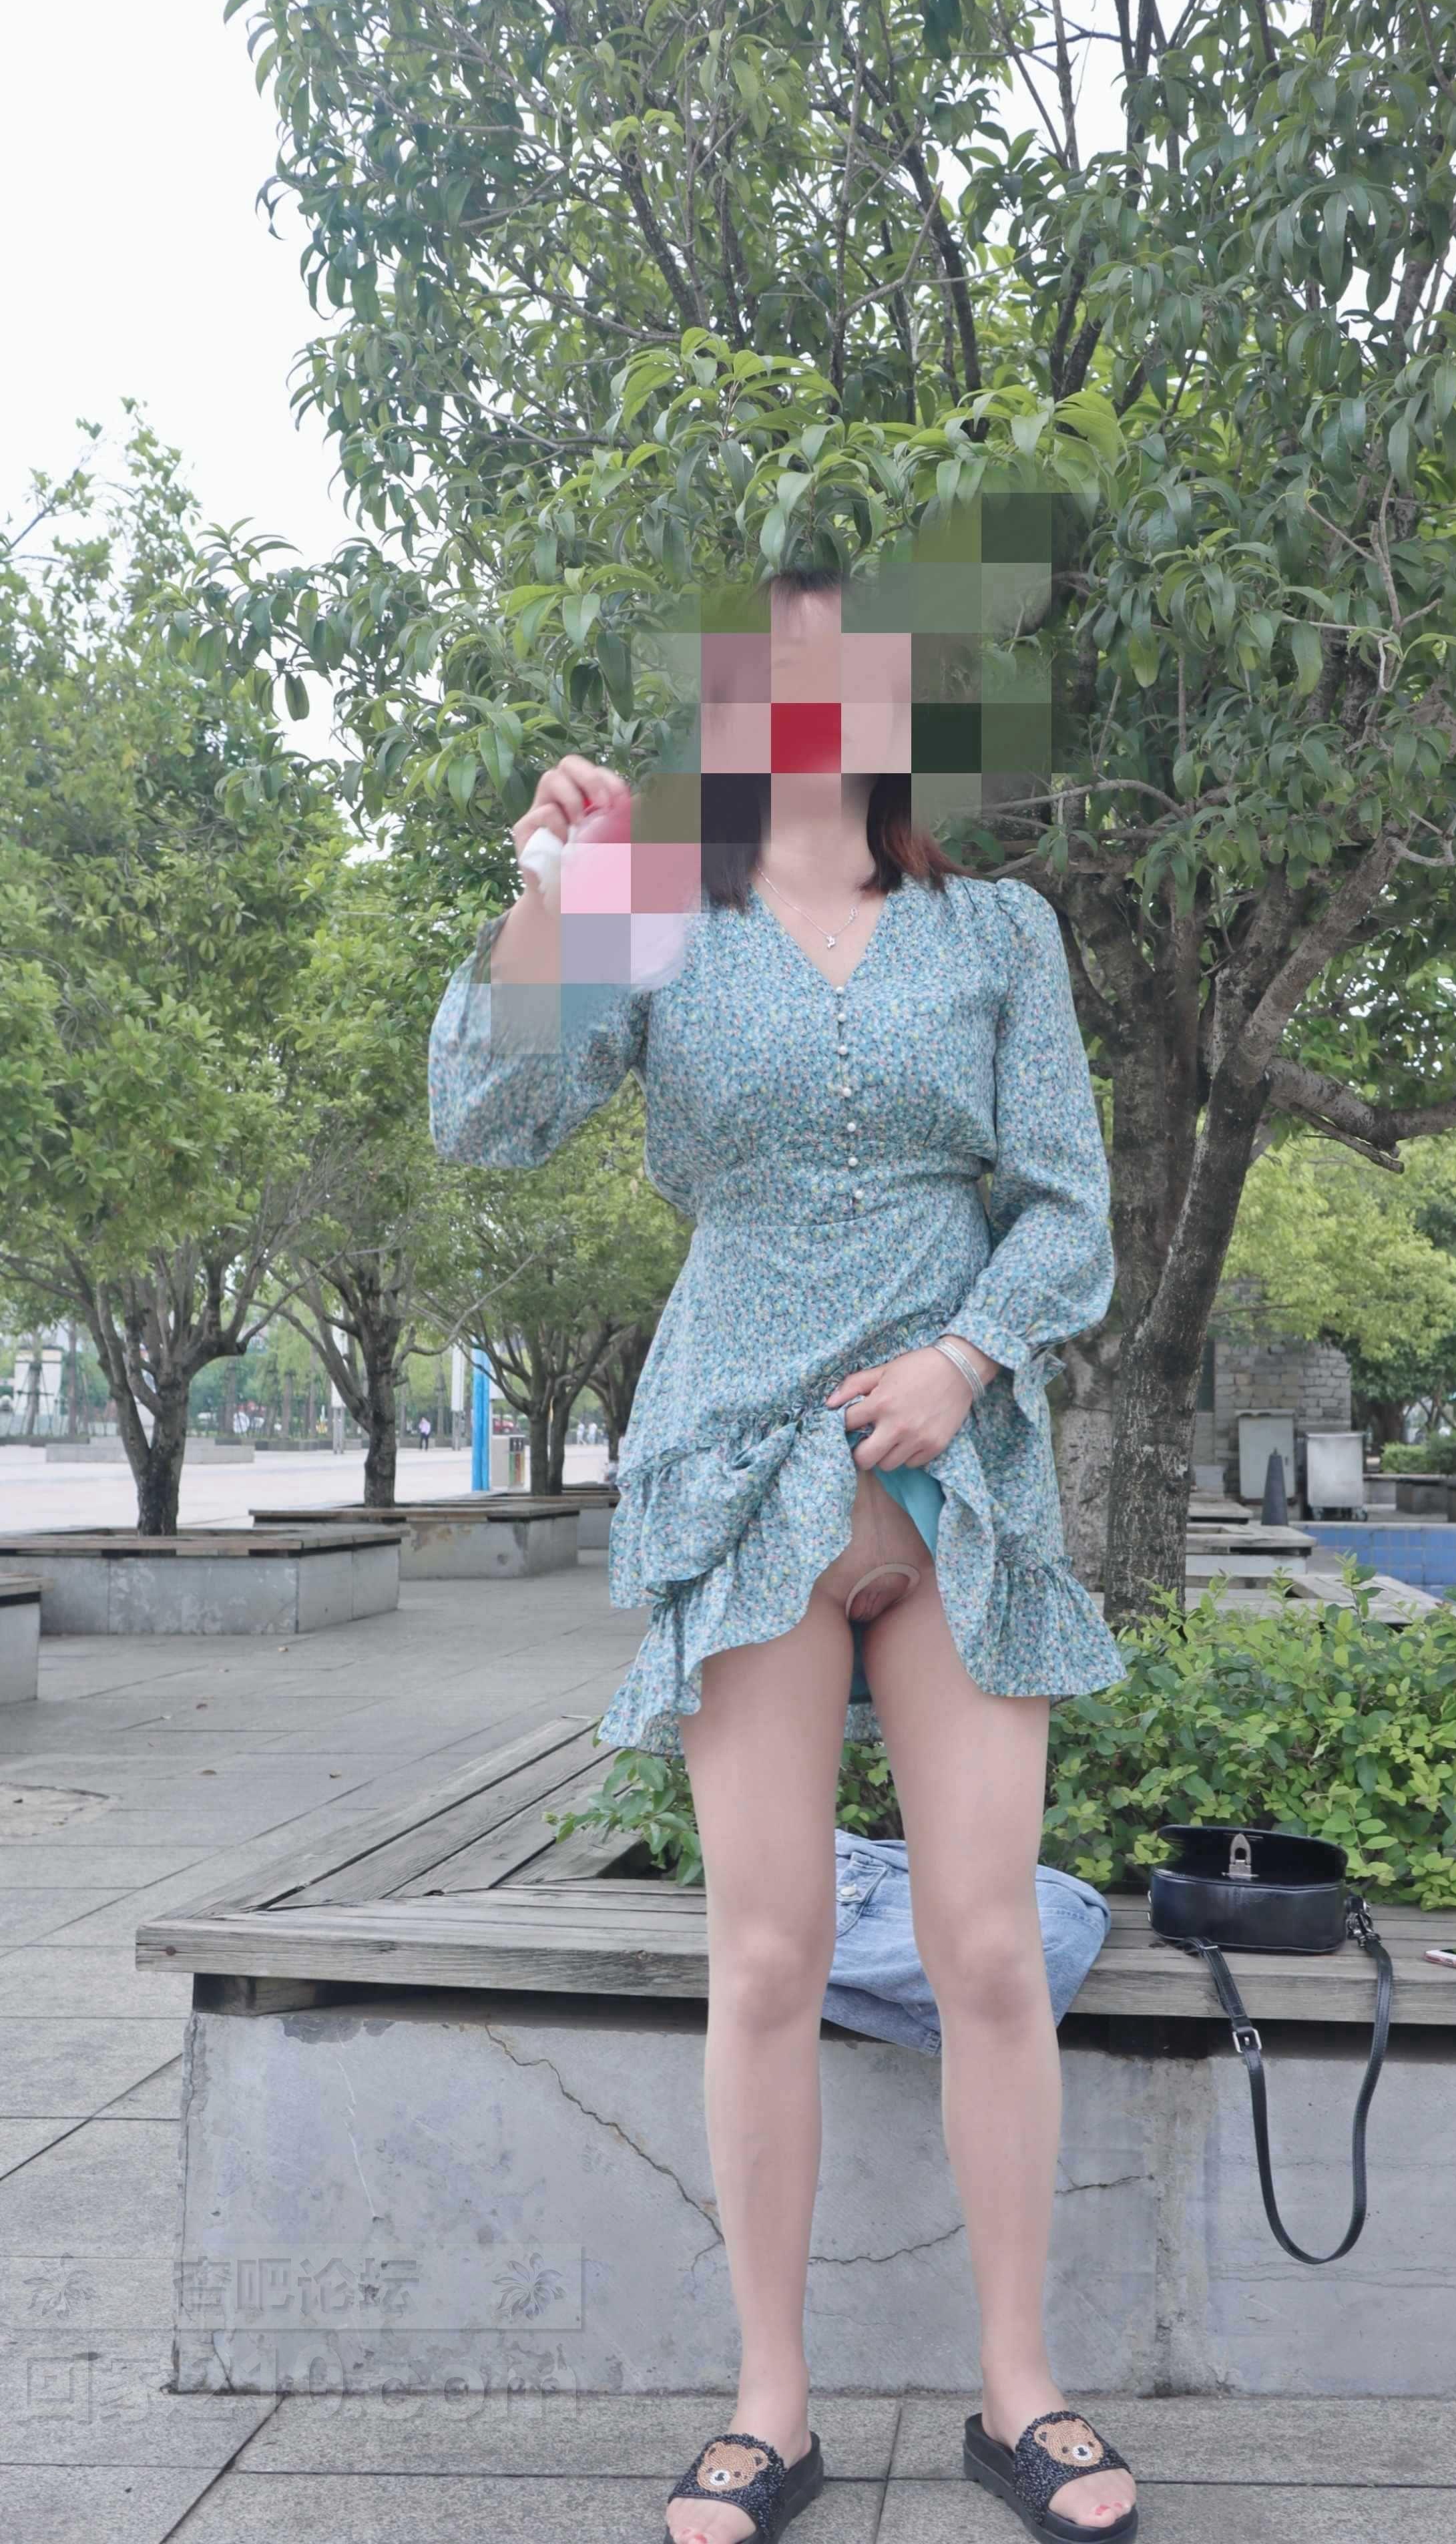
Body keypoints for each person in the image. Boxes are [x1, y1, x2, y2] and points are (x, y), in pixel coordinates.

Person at [427, 569, 1138, 2544]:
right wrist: (553, 892)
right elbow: (485, 1119)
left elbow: (1070, 1206)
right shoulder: (654, 908)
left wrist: (965, 1358)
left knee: (989, 1948)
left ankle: (1021, 2393)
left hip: (960, 1482)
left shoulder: (998, 929)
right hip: (737, 1469)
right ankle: (770, 2407)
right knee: (765, 1957)